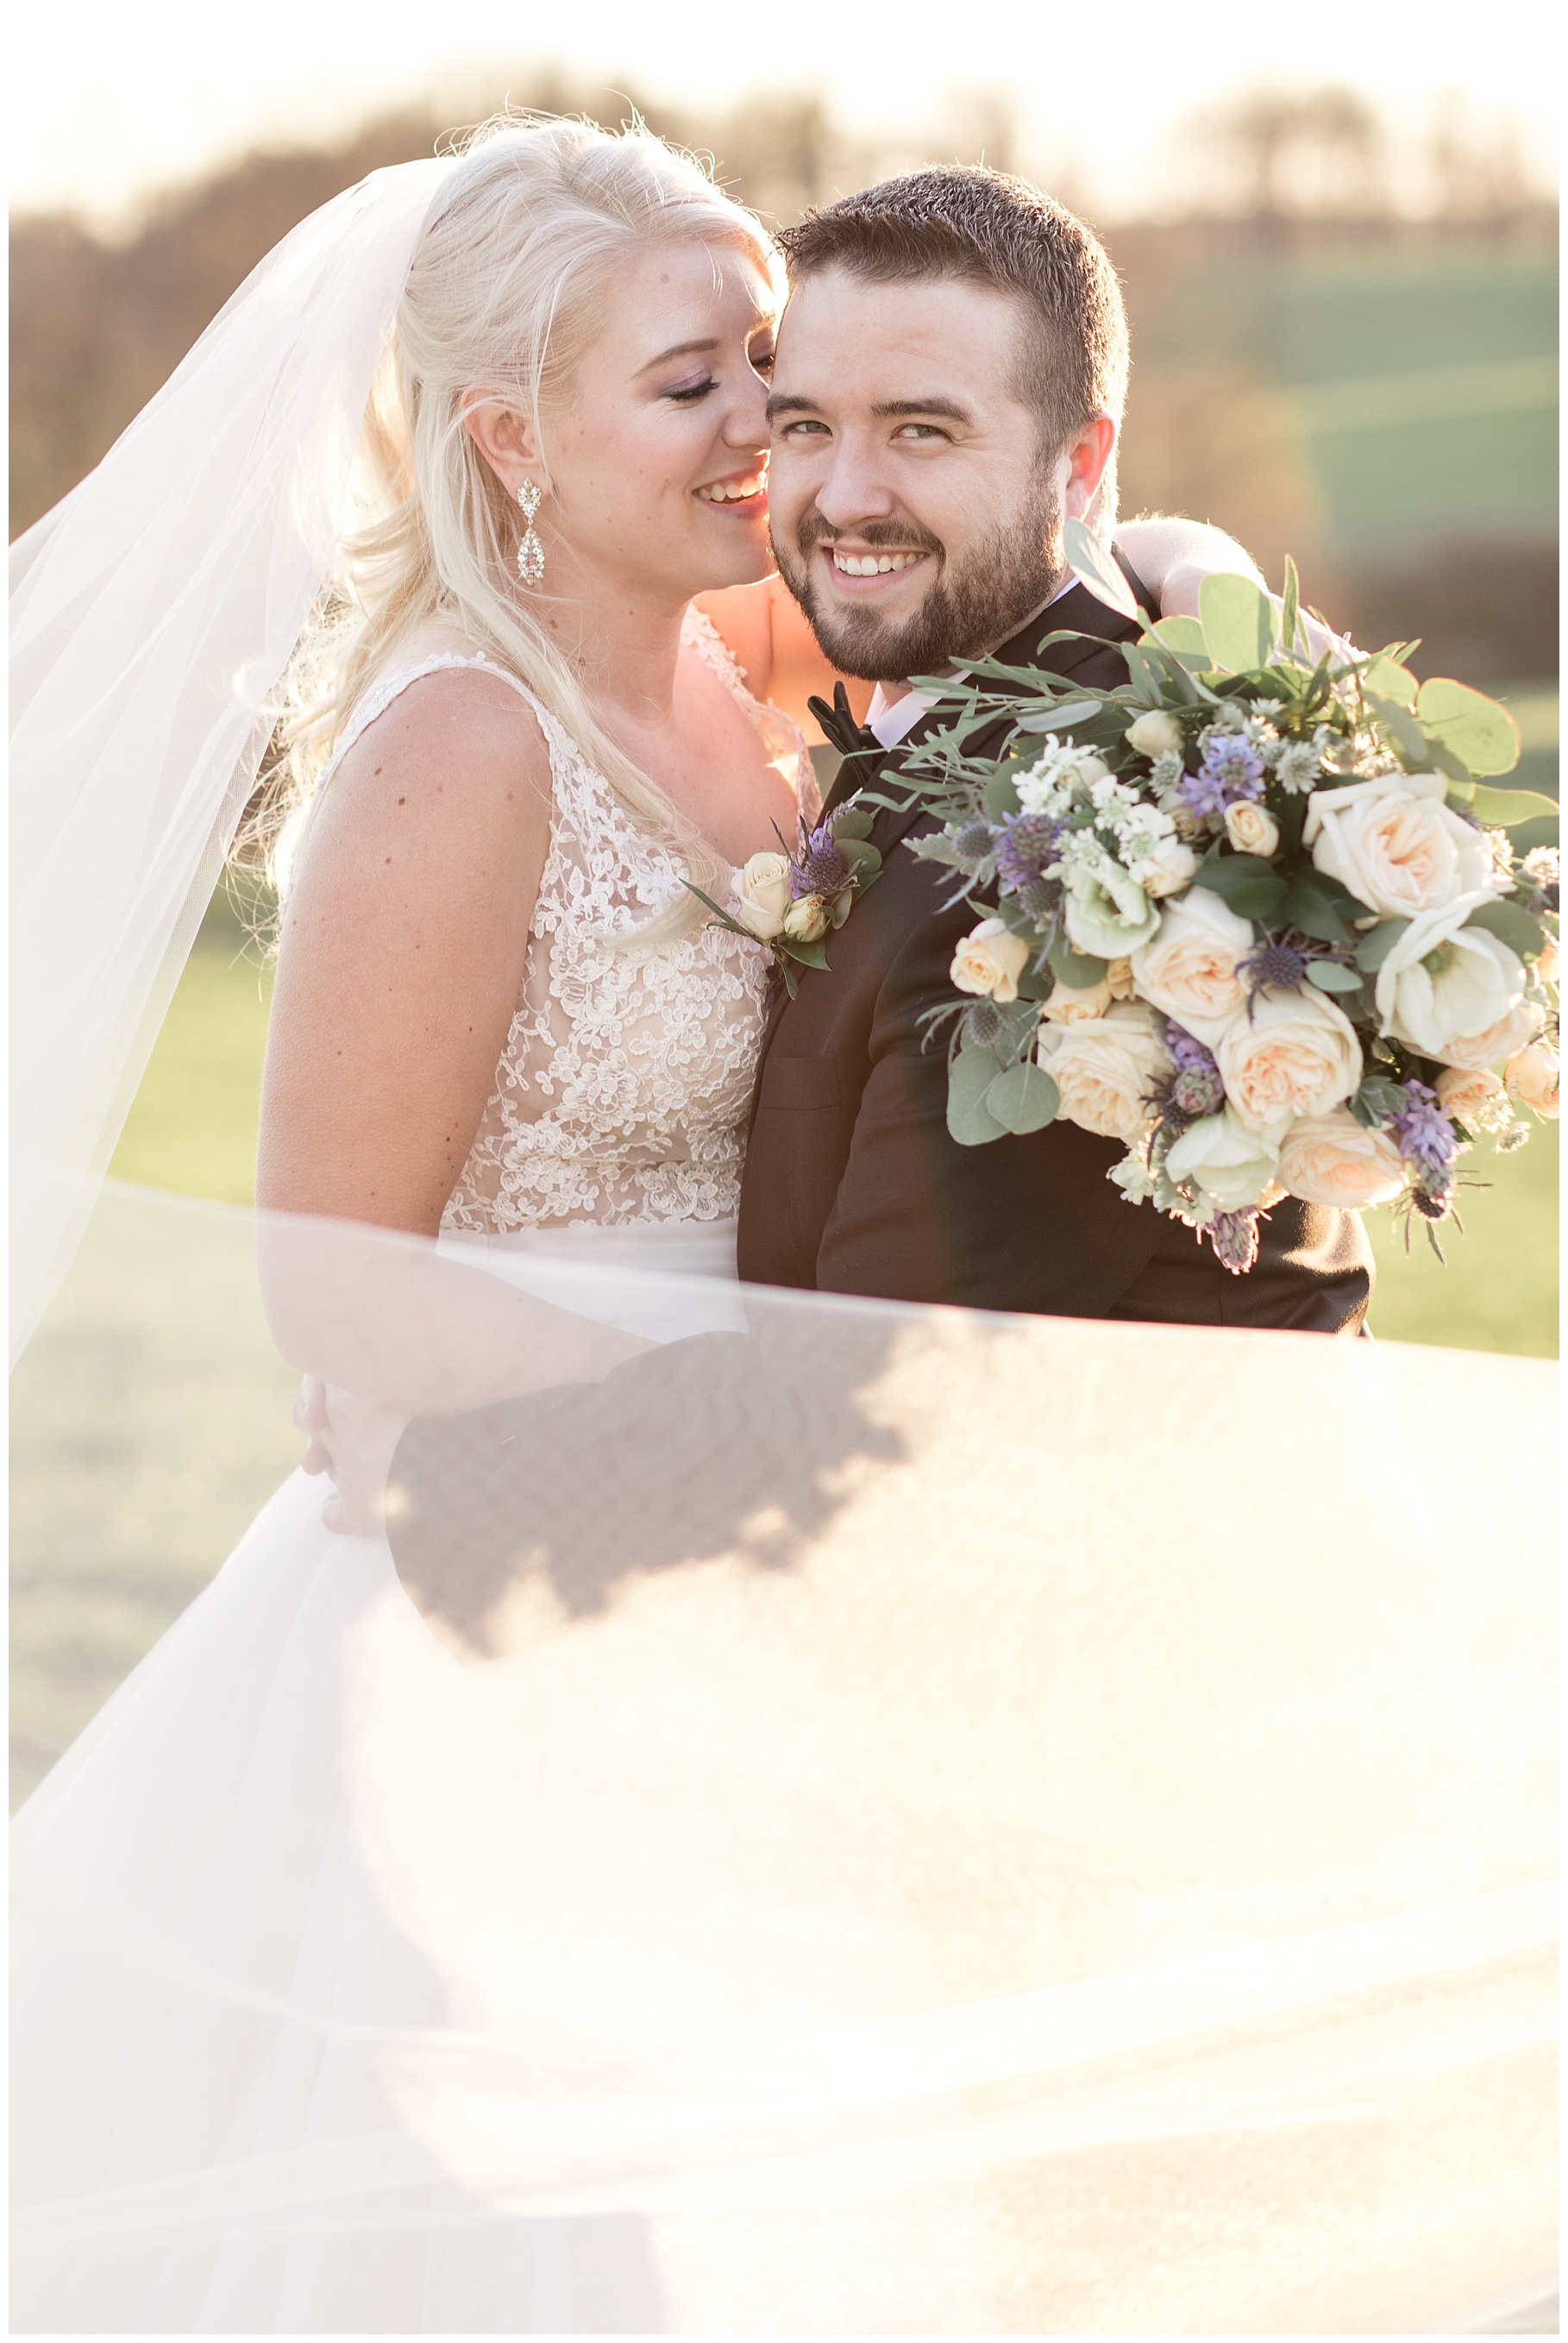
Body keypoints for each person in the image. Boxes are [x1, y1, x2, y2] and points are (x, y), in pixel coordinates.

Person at [9, 116, 1289, 2328]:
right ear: (513, 438)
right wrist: (758, 1435)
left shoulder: (751, 673)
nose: (765, 445)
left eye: (771, 384)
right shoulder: (458, 742)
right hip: (520, 1567)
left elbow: (1008, 592)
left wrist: (1172, 551)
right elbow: (329, 1273)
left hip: (759, 1552)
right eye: (694, 387)